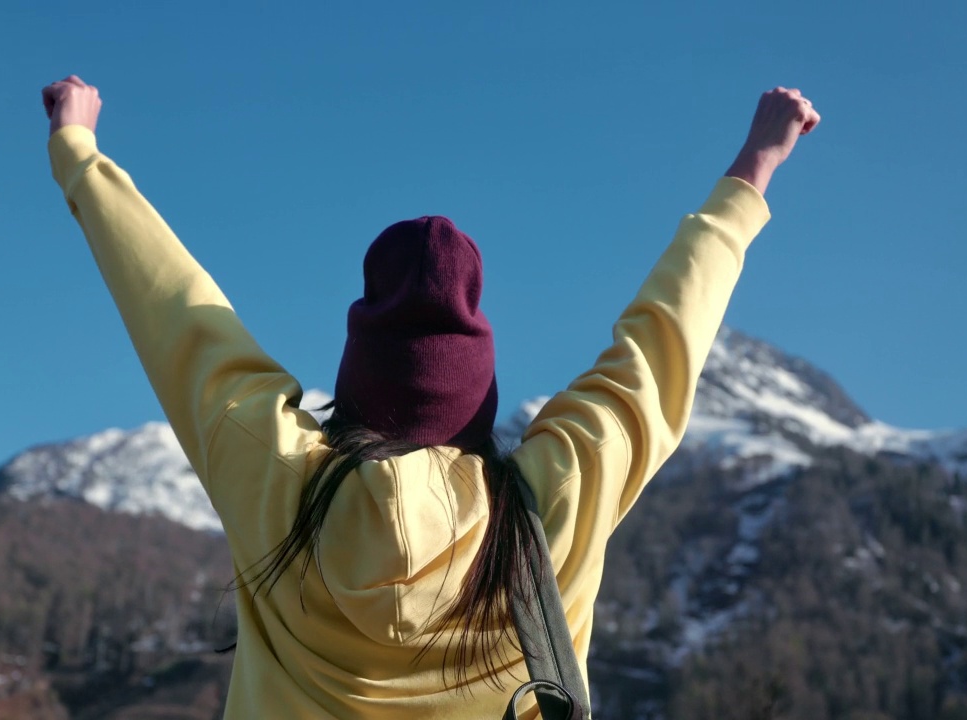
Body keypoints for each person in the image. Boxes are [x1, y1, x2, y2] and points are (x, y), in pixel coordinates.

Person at [42, 75, 819, 719]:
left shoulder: (276, 479)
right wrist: (753, 170)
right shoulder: (556, 497)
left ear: (352, 389)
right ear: (478, 401)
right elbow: (659, 346)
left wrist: (78, 153)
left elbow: (174, 311)